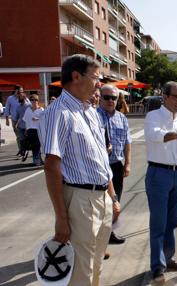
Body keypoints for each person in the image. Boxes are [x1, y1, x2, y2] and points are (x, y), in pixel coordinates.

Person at [39, 54, 120, 286]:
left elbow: (102, 159)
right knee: (79, 273)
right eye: (96, 78)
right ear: (76, 76)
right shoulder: (59, 113)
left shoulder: (90, 112)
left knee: (95, 265)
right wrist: (61, 218)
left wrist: (112, 196)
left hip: (101, 197)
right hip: (79, 199)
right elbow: (51, 167)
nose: (99, 83)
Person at [144, 81, 177, 283]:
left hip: (176, 174)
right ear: (165, 96)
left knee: (172, 221)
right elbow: (154, 135)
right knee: (158, 223)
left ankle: (168, 257)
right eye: (176, 96)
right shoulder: (153, 116)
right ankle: (157, 267)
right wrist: (176, 135)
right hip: (158, 173)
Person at [97, 84, 132, 245]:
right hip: (98, 167)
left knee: (115, 202)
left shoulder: (121, 117)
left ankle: (109, 233)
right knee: (99, 204)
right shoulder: (93, 116)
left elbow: (127, 142)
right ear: (100, 97)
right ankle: (97, 240)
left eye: (114, 98)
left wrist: (128, 163)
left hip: (116, 166)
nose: (111, 101)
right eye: (107, 97)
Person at [4, 86, 29, 157]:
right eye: (20, 91)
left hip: (24, 121)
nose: (21, 93)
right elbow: (7, 108)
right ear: (15, 91)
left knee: (26, 136)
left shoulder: (25, 98)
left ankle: (24, 149)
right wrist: (7, 120)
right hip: (15, 120)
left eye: (22, 91)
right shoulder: (10, 98)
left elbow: (30, 106)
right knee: (19, 136)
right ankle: (21, 150)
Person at [22, 94, 44, 166]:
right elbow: (25, 120)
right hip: (30, 130)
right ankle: (36, 160)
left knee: (38, 145)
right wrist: (26, 130)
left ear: (38, 101)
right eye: (32, 100)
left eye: (35, 100)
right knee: (34, 146)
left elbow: (45, 119)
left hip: (38, 130)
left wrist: (37, 119)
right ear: (30, 101)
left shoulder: (41, 109)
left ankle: (38, 159)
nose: (34, 101)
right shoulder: (28, 110)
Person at [12, 93, 30, 161]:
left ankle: (31, 153)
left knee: (28, 141)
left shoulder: (29, 106)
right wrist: (15, 124)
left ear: (24, 97)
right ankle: (22, 153)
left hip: (28, 127)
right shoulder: (18, 107)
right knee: (21, 140)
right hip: (20, 127)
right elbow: (16, 117)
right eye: (18, 97)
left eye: (20, 97)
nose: (19, 98)